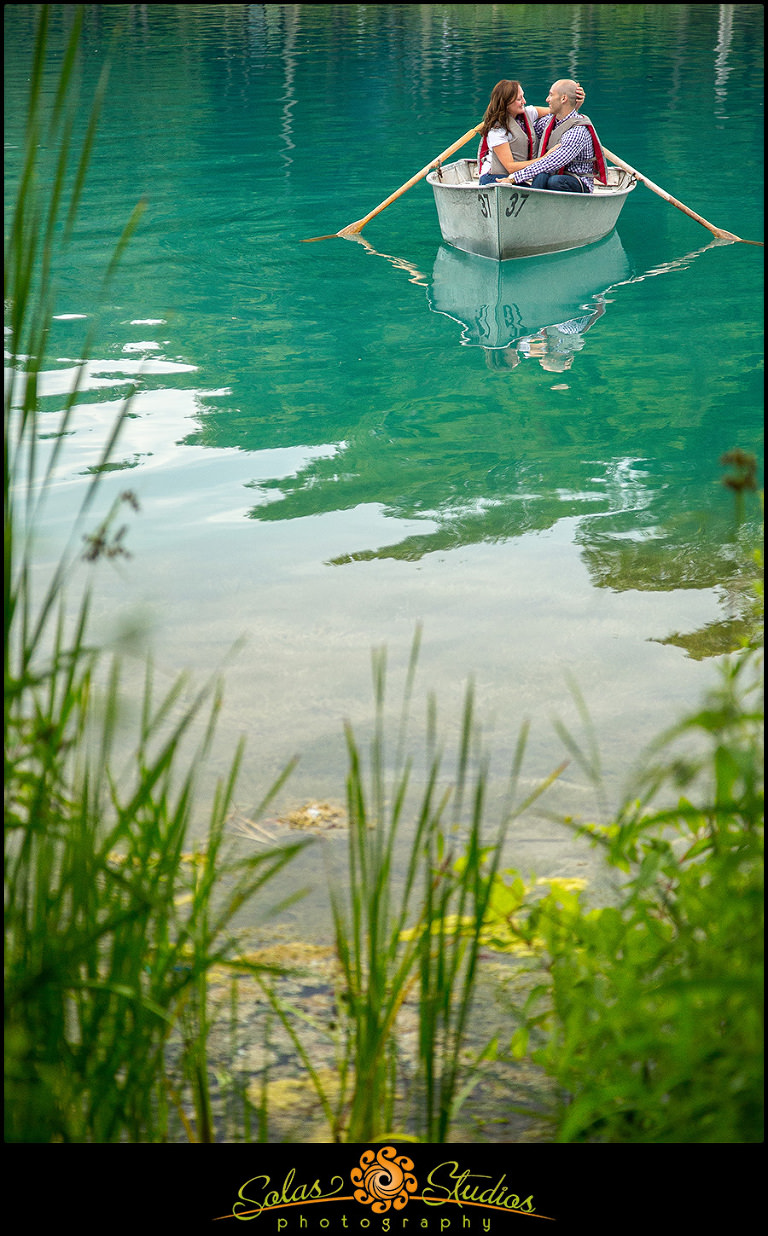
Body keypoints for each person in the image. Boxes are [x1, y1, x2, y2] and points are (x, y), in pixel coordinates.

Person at [501, 79, 607, 194]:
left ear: (563, 99)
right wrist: (496, 122)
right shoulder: (549, 122)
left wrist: (513, 178)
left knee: (554, 181)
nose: (547, 99)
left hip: (577, 181)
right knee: (542, 175)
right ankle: (533, 203)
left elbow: (549, 163)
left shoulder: (577, 131)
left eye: (551, 95)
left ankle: (536, 204)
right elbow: (526, 133)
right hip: (554, 174)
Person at [477, 79, 585, 186]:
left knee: (542, 178)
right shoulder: (497, 130)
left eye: (523, 97)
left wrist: (574, 103)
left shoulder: (528, 112)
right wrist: (544, 159)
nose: (524, 101)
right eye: (519, 99)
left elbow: (560, 112)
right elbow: (510, 167)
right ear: (507, 103)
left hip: (515, 177)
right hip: (494, 177)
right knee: (533, 188)